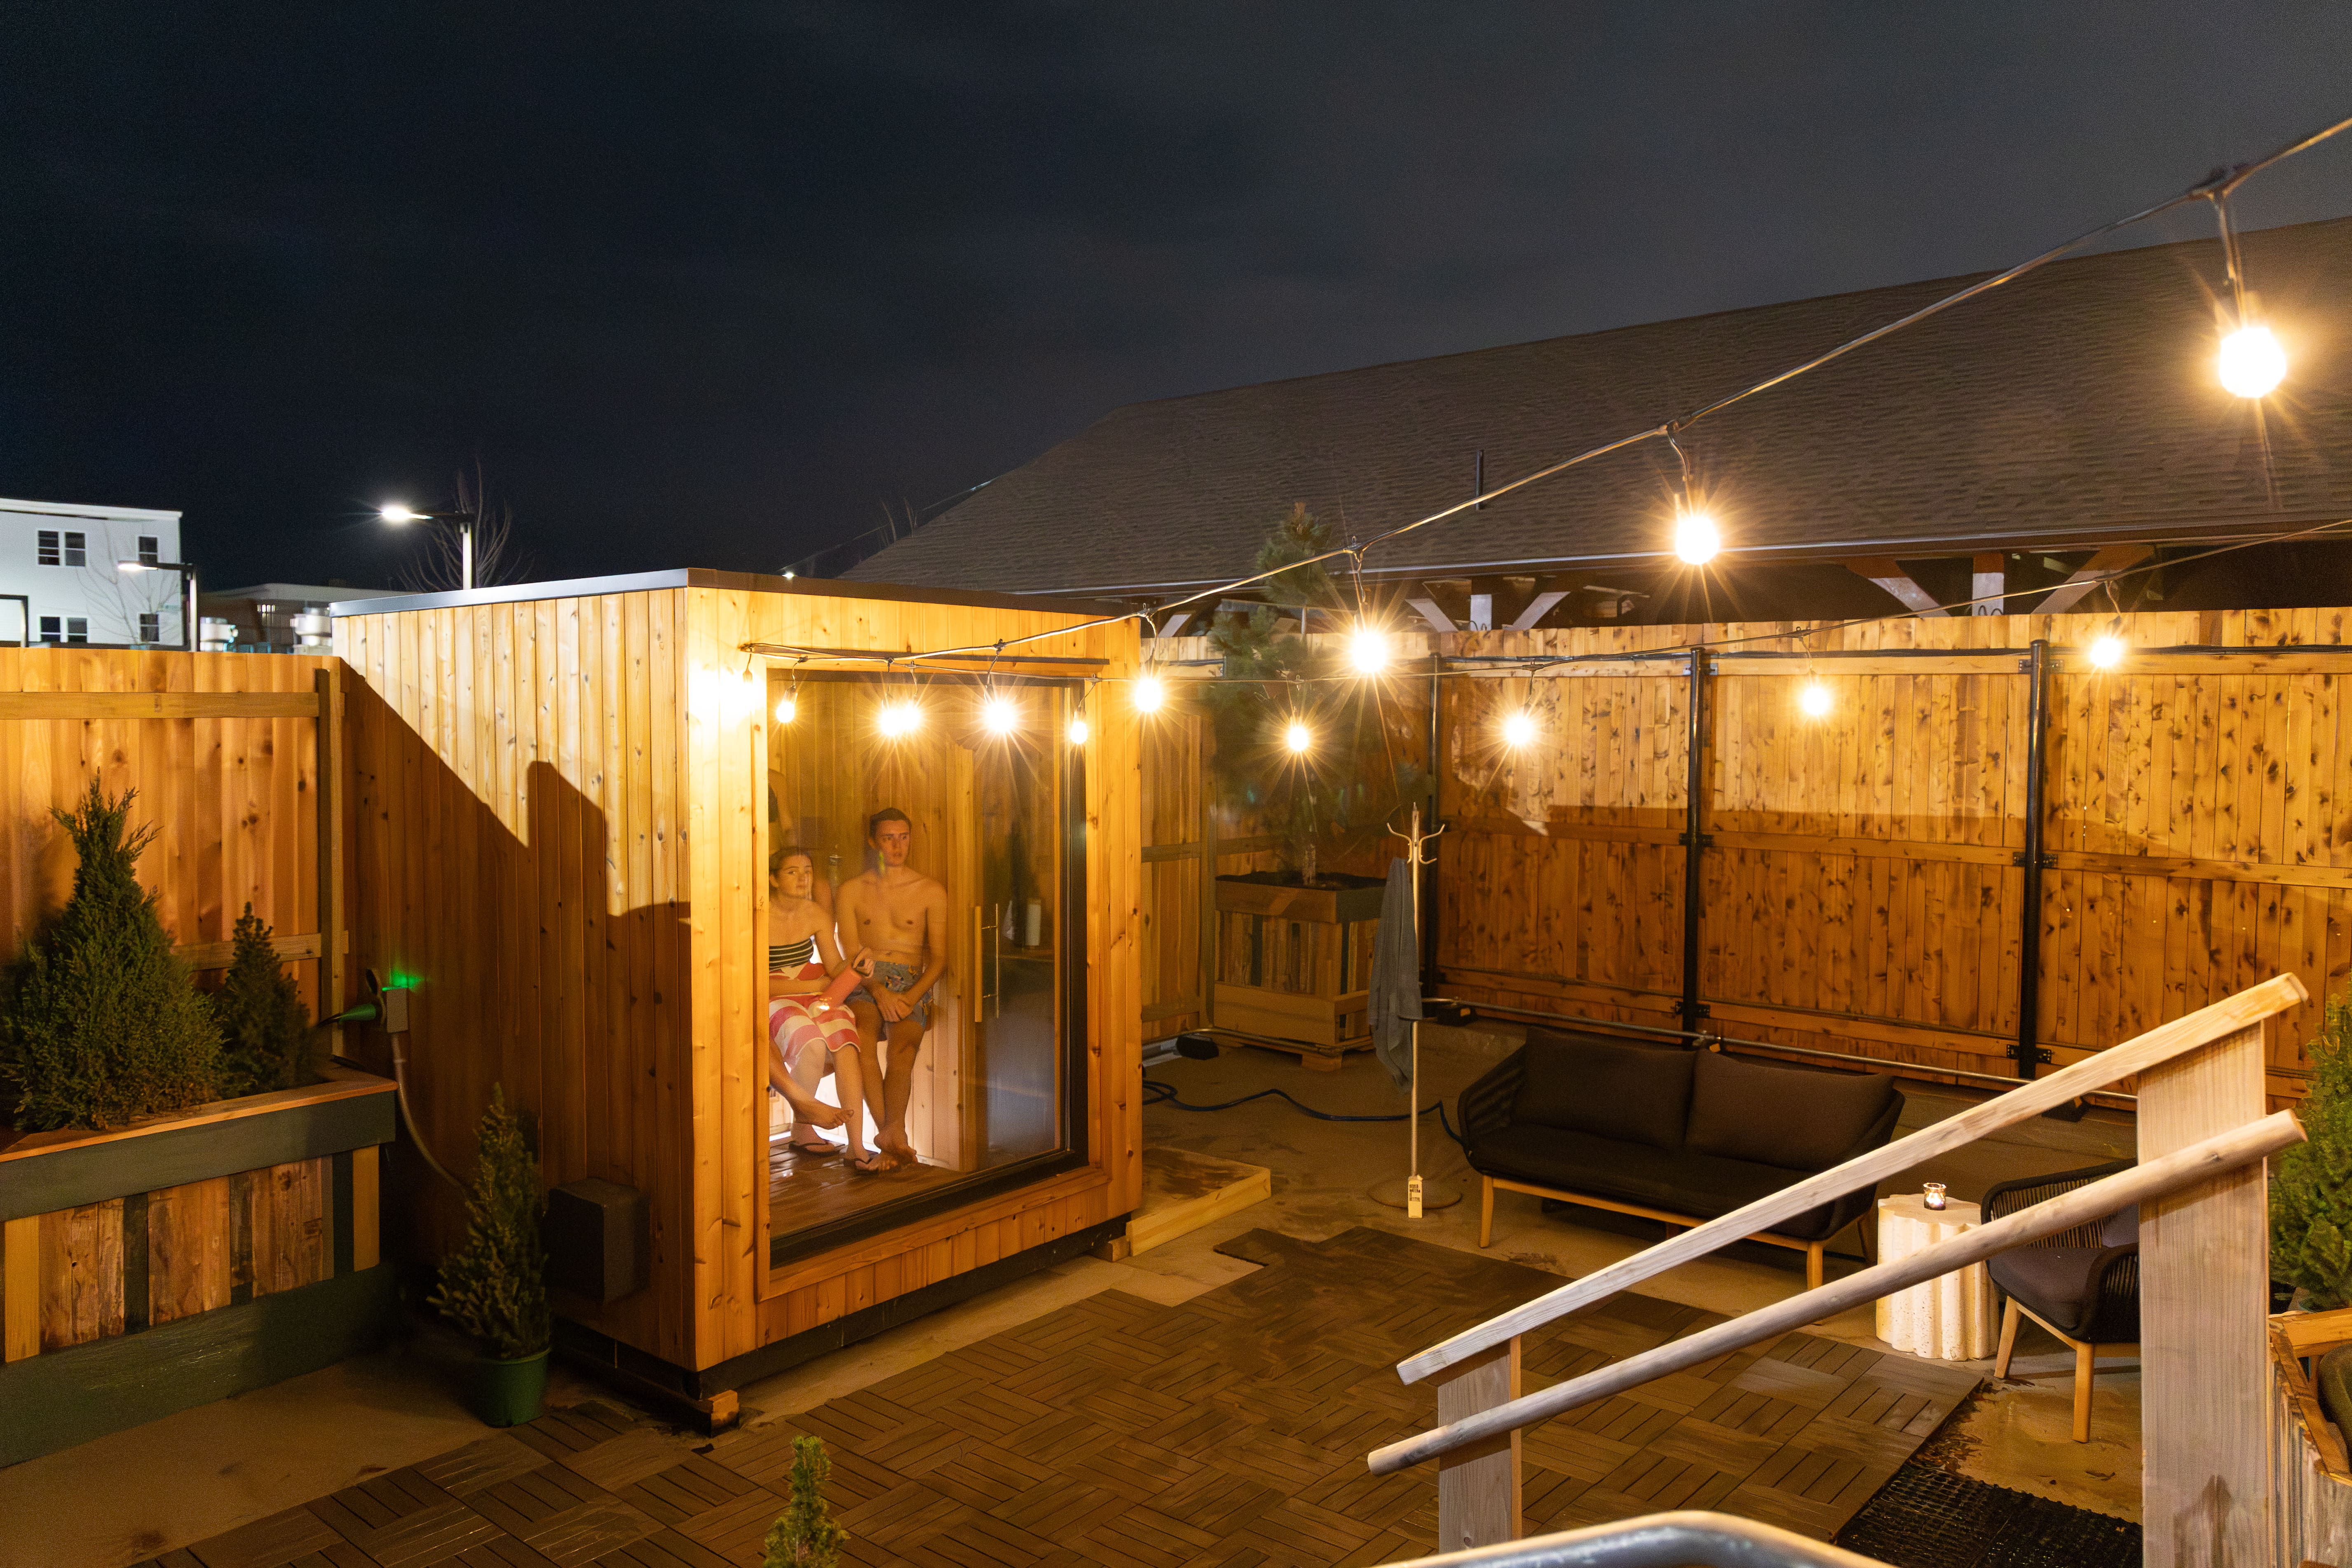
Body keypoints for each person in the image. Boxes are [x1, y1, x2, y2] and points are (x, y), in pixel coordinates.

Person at [836, 806, 949, 1172]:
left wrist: (910, 997)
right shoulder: (852, 890)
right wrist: (877, 990)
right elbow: (852, 953)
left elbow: (940, 959)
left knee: (904, 1047)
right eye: (888, 837)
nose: (897, 845)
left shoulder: (930, 890)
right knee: (862, 1036)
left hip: (910, 980)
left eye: (903, 837)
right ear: (873, 842)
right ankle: (891, 1134)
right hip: (864, 977)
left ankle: (890, 1132)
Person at [767, 847, 885, 1172]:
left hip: (814, 988)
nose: (803, 877)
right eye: (792, 871)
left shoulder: (816, 914)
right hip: (775, 993)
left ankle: (857, 1147)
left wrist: (857, 967)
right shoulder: (757, 917)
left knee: (846, 1044)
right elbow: (754, 984)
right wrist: (810, 987)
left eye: (807, 870)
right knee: (813, 1044)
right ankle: (803, 1124)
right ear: (773, 879)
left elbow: (833, 966)